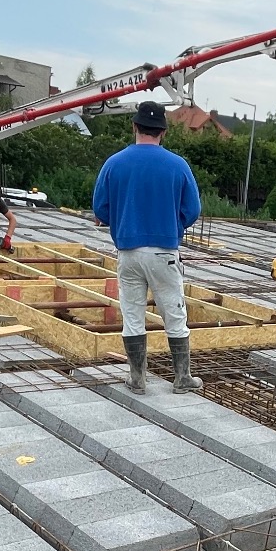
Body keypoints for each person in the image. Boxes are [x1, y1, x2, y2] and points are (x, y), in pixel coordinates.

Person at [91, 100, 203, 394]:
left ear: (135, 127)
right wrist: (172, 226)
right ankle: (182, 378)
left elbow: (100, 209)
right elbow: (192, 209)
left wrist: (121, 219)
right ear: (163, 132)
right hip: (164, 251)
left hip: (127, 251)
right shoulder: (178, 166)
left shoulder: (114, 163)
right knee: (174, 313)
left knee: (132, 314)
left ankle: (137, 379)